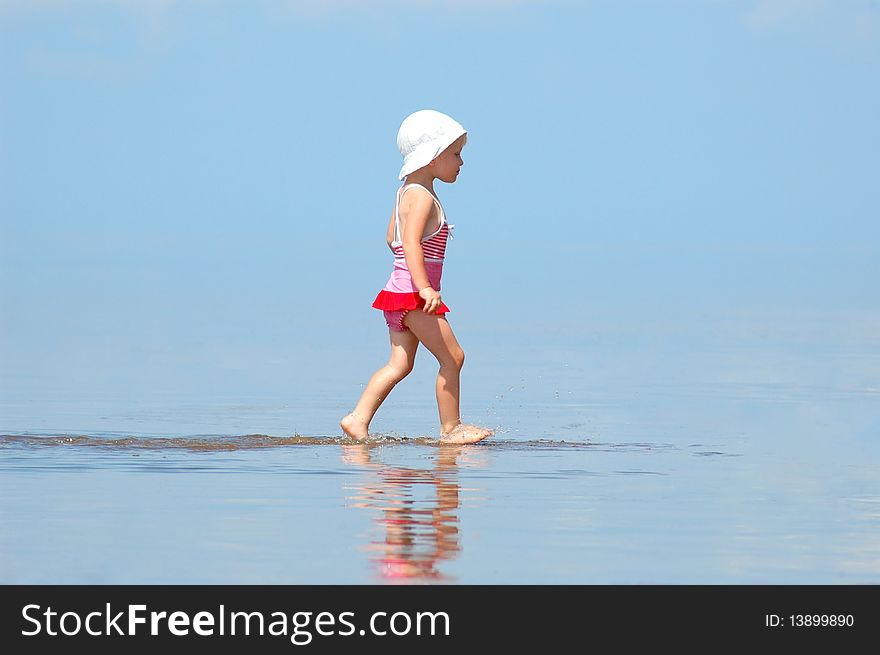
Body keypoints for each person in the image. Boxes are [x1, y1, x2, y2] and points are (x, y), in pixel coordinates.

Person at [340, 109, 493, 444]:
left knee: (400, 364)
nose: (461, 163)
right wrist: (424, 287)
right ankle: (451, 429)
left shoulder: (405, 193)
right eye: (456, 154)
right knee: (453, 357)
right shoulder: (422, 197)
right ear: (432, 157)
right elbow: (409, 242)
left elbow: (391, 238)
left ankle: (357, 418)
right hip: (413, 296)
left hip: (396, 295)